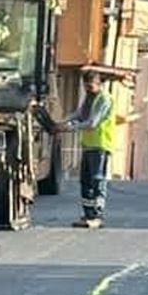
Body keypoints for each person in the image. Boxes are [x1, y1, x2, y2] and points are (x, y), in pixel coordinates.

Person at [62, 71, 115, 229]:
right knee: (85, 181)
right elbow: (79, 114)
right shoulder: (89, 97)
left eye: (90, 85)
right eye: (85, 85)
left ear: (98, 84)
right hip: (88, 145)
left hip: (100, 145)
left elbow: (92, 122)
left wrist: (69, 128)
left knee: (97, 180)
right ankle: (88, 214)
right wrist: (63, 121)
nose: (87, 89)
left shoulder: (104, 99)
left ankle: (98, 215)